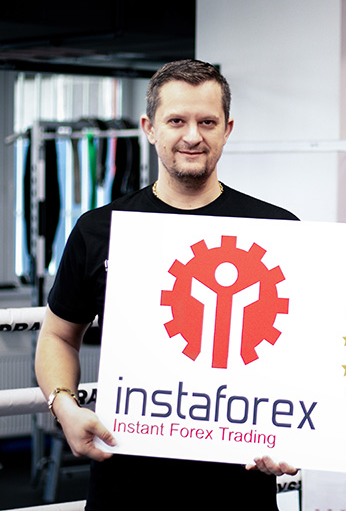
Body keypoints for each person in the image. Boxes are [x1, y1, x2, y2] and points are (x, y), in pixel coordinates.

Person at [35, 59, 298, 510]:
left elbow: (301, 356)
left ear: (227, 129)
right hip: (126, 484)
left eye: (207, 122)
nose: (192, 136)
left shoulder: (278, 231)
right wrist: (64, 406)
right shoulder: (100, 229)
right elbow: (58, 335)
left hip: (239, 487)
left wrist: (293, 435)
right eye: (177, 121)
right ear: (149, 128)